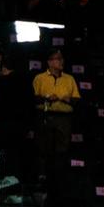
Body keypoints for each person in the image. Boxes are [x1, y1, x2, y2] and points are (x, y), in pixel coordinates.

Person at [30, 49, 79, 179]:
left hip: (64, 118)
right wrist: (46, 98)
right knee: (43, 147)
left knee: (62, 149)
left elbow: (77, 99)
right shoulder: (39, 78)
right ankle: (42, 176)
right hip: (45, 116)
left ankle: (59, 177)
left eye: (62, 58)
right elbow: (32, 98)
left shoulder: (70, 79)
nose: (62, 61)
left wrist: (67, 99)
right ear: (50, 62)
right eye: (58, 59)